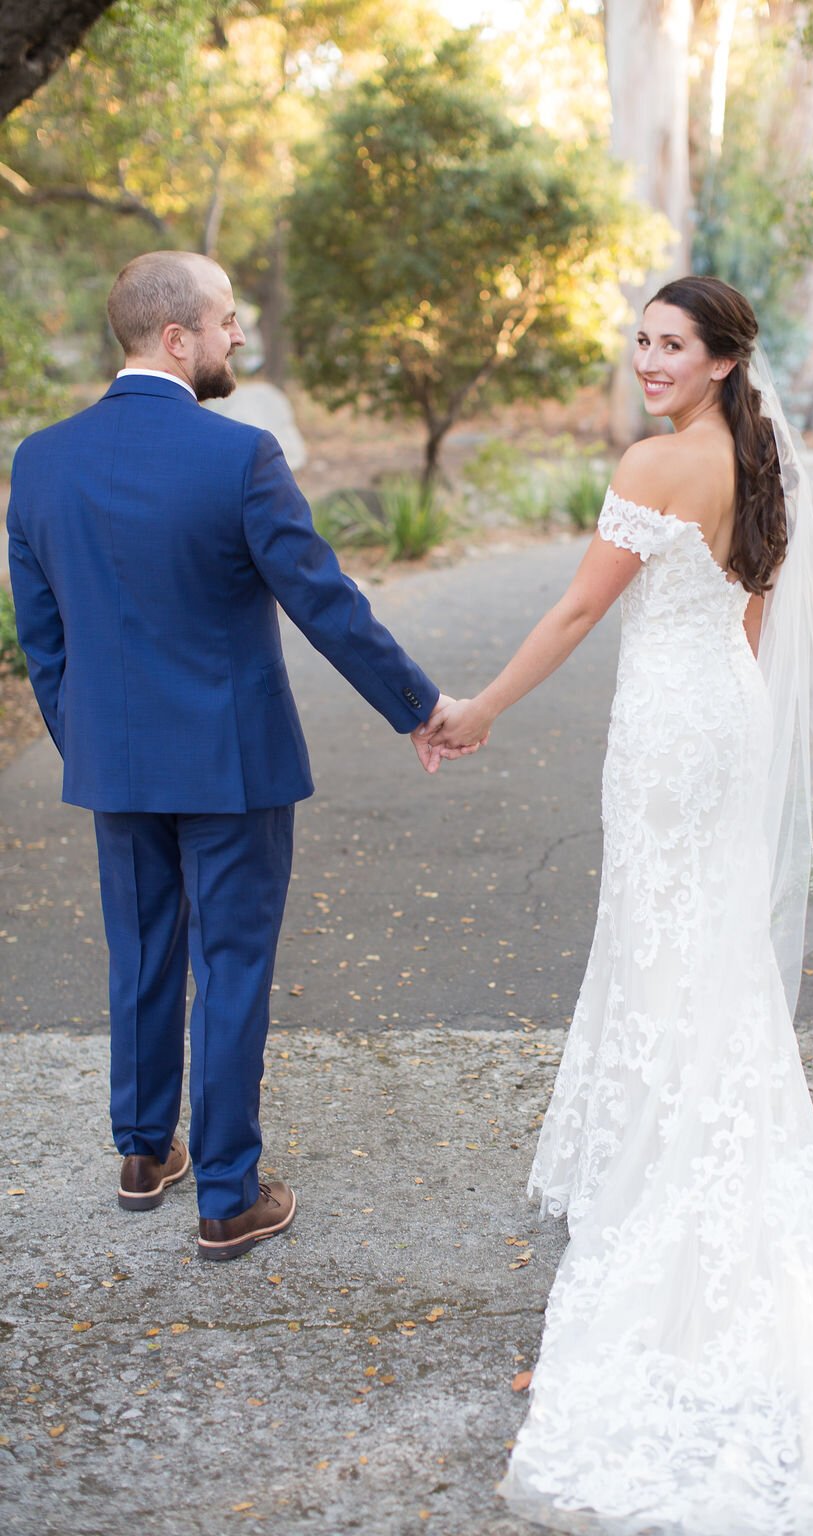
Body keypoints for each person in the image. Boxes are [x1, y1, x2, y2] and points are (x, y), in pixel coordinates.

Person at [421, 277, 813, 1532]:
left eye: (670, 344)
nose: (647, 359)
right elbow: (750, 623)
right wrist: (717, 729)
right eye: (640, 340)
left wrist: (479, 708)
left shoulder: (656, 462)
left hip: (667, 731)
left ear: (719, 358)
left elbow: (584, 606)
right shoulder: (757, 464)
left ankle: (674, 1177)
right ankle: (696, 1145)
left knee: (667, 948)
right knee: (707, 954)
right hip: (725, 720)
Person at [7, 251, 478, 1262]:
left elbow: (43, 638)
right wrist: (419, 705)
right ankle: (225, 1193)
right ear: (175, 338)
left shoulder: (41, 462)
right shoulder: (239, 458)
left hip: (116, 769)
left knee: (140, 953)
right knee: (229, 969)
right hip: (233, 769)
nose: (237, 339)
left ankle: (142, 1155)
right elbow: (323, 601)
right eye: (225, 323)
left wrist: (88, 741)